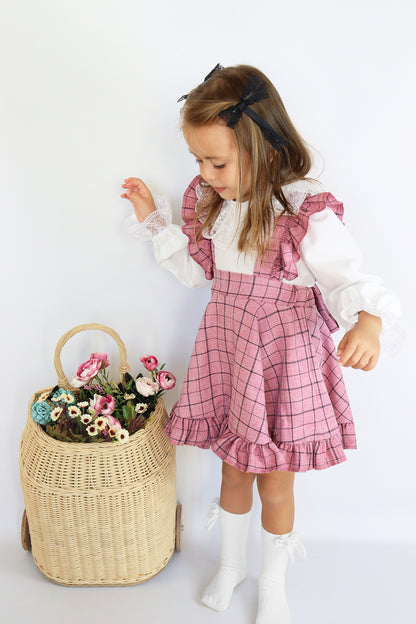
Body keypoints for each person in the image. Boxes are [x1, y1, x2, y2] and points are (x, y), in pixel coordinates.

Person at [121, 64, 401, 624]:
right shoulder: (216, 208)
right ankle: (230, 566)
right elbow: (197, 272)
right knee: (233, 471)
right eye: (198, 160)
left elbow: (347, 277)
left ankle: (273, 581)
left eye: (217, 162)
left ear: (265, 149)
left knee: (276, 482)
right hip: (230, 353)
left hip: (280, 361)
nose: (206, 174)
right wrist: (153, 219)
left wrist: (368, 320)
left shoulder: (300, 210)